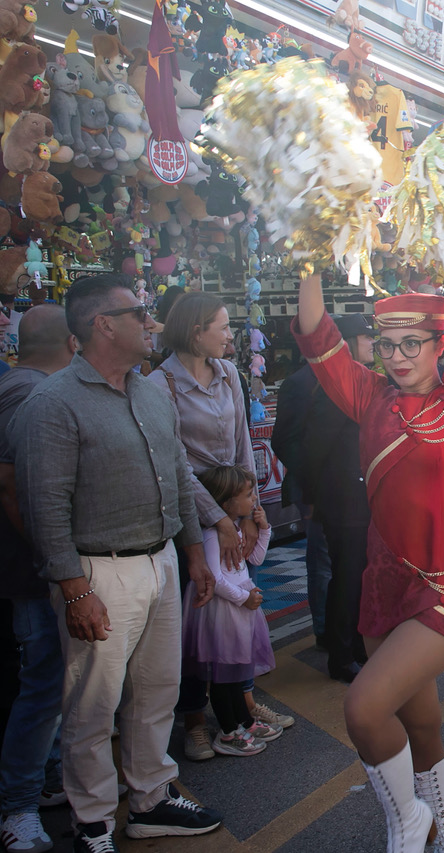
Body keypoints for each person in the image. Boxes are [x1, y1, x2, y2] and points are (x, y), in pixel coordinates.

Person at [8, 274, 221, 852]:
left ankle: (150, 798)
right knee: (92, 706)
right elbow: (43, 503)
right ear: (103, 324)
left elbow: (177, 472)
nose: (150, 322)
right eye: (139, 313)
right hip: (98, 572)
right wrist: (75, 588)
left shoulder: (150, 390)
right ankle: (94, 820)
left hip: (160, 563)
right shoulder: (52, 404)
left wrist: (195, 552)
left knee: (157, 691)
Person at [293, 273, 444, 853]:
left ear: (440, 346)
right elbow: (315, 332)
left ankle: (408, 819)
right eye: (388, 345)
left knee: (363, 708)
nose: (399, 357)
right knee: (419, 720)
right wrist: (310, 259)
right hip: (385, 585)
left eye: (413, 344)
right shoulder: (368, 396)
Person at [148, 292, 293, 759]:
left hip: (232, 505)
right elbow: (173, 462)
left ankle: (242, 707)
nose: (231, 334)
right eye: (223, 326)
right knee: (198, 613)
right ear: (195, 330)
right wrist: (217, 519)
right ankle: (194, 720)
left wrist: (247, 512)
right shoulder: (159, 384)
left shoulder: (229, 373)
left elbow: (242, 445)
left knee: (237, 610)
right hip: (190, 515)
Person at [0, 306, 75, 853]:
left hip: (37, 565)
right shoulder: (29, 394)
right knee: (44, 684)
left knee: (50, 683)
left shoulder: (23, 384)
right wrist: (55, 561)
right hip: (33, 569)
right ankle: (18, 806)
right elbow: (15, 488)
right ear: (72, 343)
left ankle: (46, 781)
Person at [273, 313, 377, 679]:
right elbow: (292, 442)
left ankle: (357, 644)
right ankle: (339, 651)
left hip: (361, 493)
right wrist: (318, 489)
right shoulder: (308, 382)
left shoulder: (365, 380)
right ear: (344, 342)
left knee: (360, 574)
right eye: (366, 338)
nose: (373, 345)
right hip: (338, 495)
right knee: (342, 574)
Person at [183, 465, 280, 756]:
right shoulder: (213, 535)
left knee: (236, 673)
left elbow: (256, 558)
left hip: (238, 610)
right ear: (225, 503)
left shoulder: (236, 529)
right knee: (223, 678)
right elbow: (214, 576)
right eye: (248, 495)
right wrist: (243, 598)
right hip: (223, 612)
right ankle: (227, 732)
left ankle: (245, 722)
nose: (254, 500)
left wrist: (264, 529)